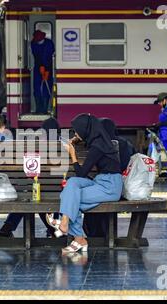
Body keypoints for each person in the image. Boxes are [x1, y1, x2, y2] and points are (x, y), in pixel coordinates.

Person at [46, 114, 123, 254]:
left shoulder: (98, 146)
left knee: (70, 197)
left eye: (76, 131)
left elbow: (81, 173)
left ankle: (72, 230)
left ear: (85, 129)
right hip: (100, 181)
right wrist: (76, 140)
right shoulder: (97, 140)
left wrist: (72, 154)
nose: (75, 133)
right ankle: (70, 227)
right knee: (72, 183)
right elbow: (78, 178)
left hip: (110, 186)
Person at [83, 117, 136, 238]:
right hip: (120, 190)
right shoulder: (124, 143)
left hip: (103, 188)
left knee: (91, 197)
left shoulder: (98, 145)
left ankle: (94, 234)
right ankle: (106, 234)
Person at [31, 30, 55, 114]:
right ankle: (38, 109)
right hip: (38, 68)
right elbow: (36, 55)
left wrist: (47, 70)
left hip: (48, 68)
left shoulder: (49, 44)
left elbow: (48, 56)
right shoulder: (33, 43)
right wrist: (40, 66)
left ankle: (45, 109)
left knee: (46, 88)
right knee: (37, 88)